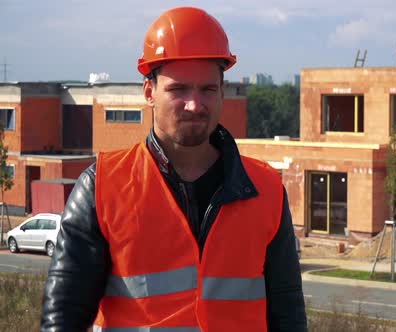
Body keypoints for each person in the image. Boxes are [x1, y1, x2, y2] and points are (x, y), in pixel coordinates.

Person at [40, 6, 307, 332]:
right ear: (149, 93)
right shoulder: (101, 187)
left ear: (222, 92)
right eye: (178, 89)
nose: (195, 105)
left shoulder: (265, 188)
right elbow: (63, 318)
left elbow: (288, 313)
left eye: (208, 89)